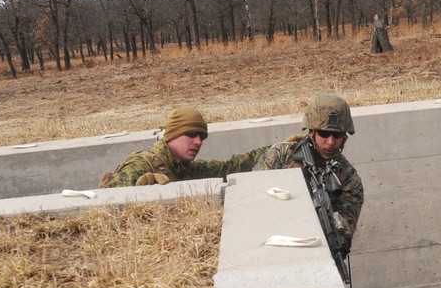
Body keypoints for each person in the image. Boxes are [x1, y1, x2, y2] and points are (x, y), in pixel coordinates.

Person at [253, 94, 364, 244]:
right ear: (312, 132)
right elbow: (253, 194)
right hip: (272, 234)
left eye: (336, 135)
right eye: (324, 134)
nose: (330, 142)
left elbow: (345, 225)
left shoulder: (348, 177)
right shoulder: (282, 155)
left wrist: (339, 224)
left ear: (344, 137)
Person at [100, 106, 267, 188]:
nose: (198, 142)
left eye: (201, 137)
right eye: (191, 134)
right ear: (173, 134)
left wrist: (285, 147)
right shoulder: (140, 166)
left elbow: (234, 166)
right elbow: (105, 204)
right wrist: (138, 195)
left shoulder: (189, 169)